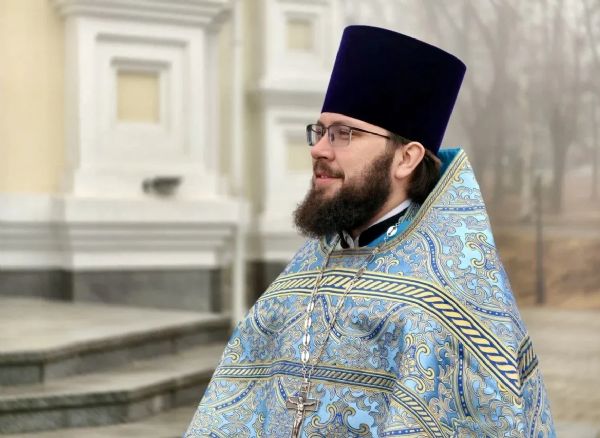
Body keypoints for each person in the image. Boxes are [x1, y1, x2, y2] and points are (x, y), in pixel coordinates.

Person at [185, 25, 555, 437]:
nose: (318, 148)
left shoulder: (445, 299)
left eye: (343, 134)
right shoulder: (300, 277)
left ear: (406, 158)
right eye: (320, 131)